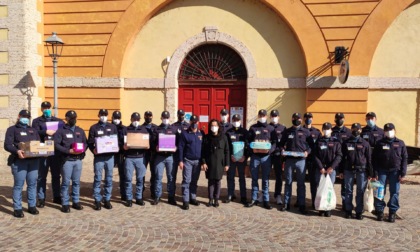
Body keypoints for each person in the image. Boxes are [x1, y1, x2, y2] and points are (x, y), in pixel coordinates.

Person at [4, 109, 41, 217]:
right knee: (19, 185)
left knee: (32, 184)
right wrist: (17, 151)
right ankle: (17, 208)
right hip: (20, 161)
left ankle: (32, 206)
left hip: (33, 161)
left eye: (27, 117)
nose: (26, 118)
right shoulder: (12, 129)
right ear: (19, 116)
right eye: (24, 116)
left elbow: (38, 144)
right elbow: (7, 145)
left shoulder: (33, 130)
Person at [372, 123, 407, 222]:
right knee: (379, 191)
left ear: (395, 130)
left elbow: (404, 158)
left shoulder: (400, 143)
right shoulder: (380, 143)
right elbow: (374, 159)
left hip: (395, 171)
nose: (389, 132)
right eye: (387, 130)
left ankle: (392, 212)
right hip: (381, 171)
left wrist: (403, 172)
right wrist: (375, 173)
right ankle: (379, 211)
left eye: (390, 130)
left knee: (394, 192)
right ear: (384, 132)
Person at [54, 110, 88, 213]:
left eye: (74, 118)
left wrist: (82, 150)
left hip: (78, 160)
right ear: (66, 119)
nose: (73, 119)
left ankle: (76, 201)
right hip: (67, 160)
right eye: (70, 118)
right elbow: (56, 144)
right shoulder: (60, 131)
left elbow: (85, 143)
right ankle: (65, 203)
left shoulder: (80, 130)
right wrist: (68, 150)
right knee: (65, 182)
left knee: (76, 182)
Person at [32, 101, 64, 207]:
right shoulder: (36, 121)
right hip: (43, 152)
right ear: (41, 109)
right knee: (42, 176)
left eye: (48, 107)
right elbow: (34, 132)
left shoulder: (58, 121)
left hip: (55, 152)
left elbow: (63, 133)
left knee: (56, 175)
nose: (46, 109)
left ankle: (57, 196)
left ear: (51, 108)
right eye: (44, 108)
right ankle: (41, 198)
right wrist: (45, 132)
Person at [279, 113, 311, 214]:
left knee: (301, 184)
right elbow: (281, 144)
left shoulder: (306, 132)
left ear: (301, 120)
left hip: (301, 160)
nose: (296, 120)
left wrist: (307, 152)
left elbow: (311, 146)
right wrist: (282, 151)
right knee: (288, 182)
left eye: (298, 118)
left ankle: (302, 205)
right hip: (289, 160)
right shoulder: (287, 131)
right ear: (292, 119)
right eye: (294, 118)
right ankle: (286, 204)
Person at [339, 123, 373, 220]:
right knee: (348, 190)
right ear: (351, 130)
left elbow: (369, 159)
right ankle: (348, 210)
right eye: (353, 129)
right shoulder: (346, 143)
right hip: (348, 169)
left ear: (360, 130)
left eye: (357, 129)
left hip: (362, 170)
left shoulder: (365, 143)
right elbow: (342, 158)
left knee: (360, 191)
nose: (356, 130)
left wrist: (370, 173)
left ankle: (359, 211)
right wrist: (341, 171)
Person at [88, 109, 119, 210]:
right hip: (99, 158)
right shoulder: (93, 128)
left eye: (105, 115)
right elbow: (90, 142)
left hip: (110, 157)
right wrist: (93, 150)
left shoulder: (113, 127)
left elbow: (116, 140)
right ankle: (97, 199)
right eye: (101, 114)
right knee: (97, 178)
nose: (103, 116)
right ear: (98, 115)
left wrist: (116, 147)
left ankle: (107, 199)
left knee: (109, 179)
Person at [246, 109, 276, 210]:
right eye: (260, 115)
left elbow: (275, 143)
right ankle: (254, 198)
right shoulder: (253, 128)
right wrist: (251, 150)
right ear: (258, 116)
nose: (262, 117)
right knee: (254, 178)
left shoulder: (271, 128)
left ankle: (266, 200)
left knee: (265, 179)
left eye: (264, 115)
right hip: (255, 157)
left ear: (266, 117)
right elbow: (248, 142)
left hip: (266, 158)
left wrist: (270, 151)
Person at [313, 122, 342, 217]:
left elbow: (339, 155)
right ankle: (321, 208)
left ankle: (328, 208)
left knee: (329, 188)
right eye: (324, 128)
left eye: (328, 128)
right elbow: (315, 155)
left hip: (331, 169)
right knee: (320, 188)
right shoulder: (319, 141)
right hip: (320, 169)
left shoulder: (336, 141)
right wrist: (320, 167)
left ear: (331, 130)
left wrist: (332, 167)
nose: (326, 130)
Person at [123, 112, 150, 207]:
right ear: (131, 119)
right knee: (128, 179)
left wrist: (147, 146)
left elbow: (147, 141)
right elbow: (121, 143)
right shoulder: (126, 130)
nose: (136, 121)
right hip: (129, 158)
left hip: (140, 158)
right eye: (134, 119)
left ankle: (139, 197)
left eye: (137, 120)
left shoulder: (143, 130)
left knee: (140, 179)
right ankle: (129, 198)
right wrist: (124, 147)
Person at [201, 119, 230, 207]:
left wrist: (227, 164)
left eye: (215, 125)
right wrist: (203, 162)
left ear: (218, 127)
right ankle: (210, 199)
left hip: (220, 163)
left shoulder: (224, 137)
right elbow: (203, 151)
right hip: (209, 162)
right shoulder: (206, 137)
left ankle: (216, 199)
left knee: (218, 181)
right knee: (210, 181)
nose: (214, 127)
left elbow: (227, 151)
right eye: (212, 126)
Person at [178, 115, 204, 210]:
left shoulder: (201, 133)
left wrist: (203, 162)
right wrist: (180, 161)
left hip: (197, 161)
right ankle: (185, 200)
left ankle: (192, 197)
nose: (194, 123)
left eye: (196, 122)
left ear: (198, 122)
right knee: (186, 181)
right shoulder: (185, 134)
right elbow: (180, 147)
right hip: (188, 160)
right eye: (192, 121)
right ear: (190, 122)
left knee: (194, 181)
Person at [151, 111, 177, 205]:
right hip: (159, 157)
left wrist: (176, 147)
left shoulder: (174, 129)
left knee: (171, 178)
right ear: (161, 118)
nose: (165, 119)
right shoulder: (157, 129)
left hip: (170, 157)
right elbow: (152, 142)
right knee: (158, 177)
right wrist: (155, 148)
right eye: (164, 117)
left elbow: (178, 142)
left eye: (167, 117)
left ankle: (171, 197)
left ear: (169, 118)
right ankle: (157, 196)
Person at [225, 114, 249, 205]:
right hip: (232, 159)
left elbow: (248, 146)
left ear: (240, 121)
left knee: (242, 178)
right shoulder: (228, 132)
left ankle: (243, 197)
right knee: (230, 177)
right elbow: (227, 147)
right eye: (234, 120)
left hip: (242, 160)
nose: (236, 121)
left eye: (237, 120)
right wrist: (230, 156)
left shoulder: (245, 132)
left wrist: (245, 157)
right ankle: (230, 195)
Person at [331, 112, 352, 212]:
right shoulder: (331, 131)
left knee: (345, 184)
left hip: (344, 161)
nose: (339, 119)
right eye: (337, 118)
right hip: (333, 161)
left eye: (341, 118)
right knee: (330, 182)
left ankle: (345, 203)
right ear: (335, 119)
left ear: (344, 119)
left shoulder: (348, 132)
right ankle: (330, 201)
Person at [171, 109, 190, 205]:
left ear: (184, 115)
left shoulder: (188, 126)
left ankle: (185, 196)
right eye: (179, 114)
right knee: (172, 176)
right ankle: (171, 195)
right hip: (175, 154)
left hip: (186, 155)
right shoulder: (173, 126)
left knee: (186, 177)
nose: (181, 116)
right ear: (177, 115)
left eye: (182, 114)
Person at [303, 112, 321, 209]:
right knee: (300, 181)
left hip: (312, 160)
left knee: (314, 182)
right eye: (306, 117)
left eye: (310, 117)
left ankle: (314, 201)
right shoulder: (299, 130)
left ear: (312, 119)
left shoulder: (317, 132)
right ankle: (300, 200)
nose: (308, 119)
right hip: (302, 159)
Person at [269, 109, 285, 205]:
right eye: (272, 116)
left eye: (276, 116)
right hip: (268, 154)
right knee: (265, 175)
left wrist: (283, 149)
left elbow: (285, 142)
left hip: (278, 155)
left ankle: (278, 195)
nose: (274, 117)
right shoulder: (267, 127)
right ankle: (264, 193)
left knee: (278, 176)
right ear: (270, 117)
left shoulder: (283, 128)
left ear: (278, 117)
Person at [111, 111, 127, 201]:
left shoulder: (124, 129)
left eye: (118, 118)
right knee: (108, 174)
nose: (116, 120)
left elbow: (126, 141)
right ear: (112, 118)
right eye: (115, 118)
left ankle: (123, 194)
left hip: (121, 154)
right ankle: (107, 194)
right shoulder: (108, 128)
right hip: (111, 154)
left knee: (123, 174)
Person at [142, 111, 158, 199]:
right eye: (147, 116)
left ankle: (153, 191)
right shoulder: (141, 127)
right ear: (144, 116)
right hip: (144, 153)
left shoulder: (156, 127)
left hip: (153, 153)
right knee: (142, 173)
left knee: (154, 173)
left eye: (150, 116)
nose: (148, 117)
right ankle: (140, 191)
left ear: (152, 116)